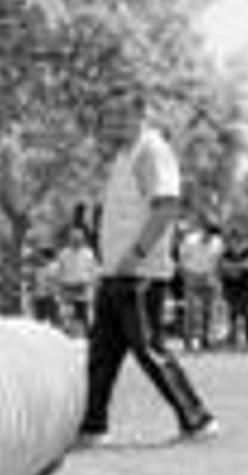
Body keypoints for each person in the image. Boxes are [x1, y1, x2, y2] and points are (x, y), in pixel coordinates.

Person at [78, 80, 217, 444]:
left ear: (142, 114)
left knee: (150, 350)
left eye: (123, 114)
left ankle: (198, 421)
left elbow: (167, 206)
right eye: (110, 116)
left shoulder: (151, 150)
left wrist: (134, 256)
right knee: (102, 355)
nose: (115, 122)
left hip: (139, 273)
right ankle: (93, 428)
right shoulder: (124, 156)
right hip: (115, 273)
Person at [178, 219, 222, 350]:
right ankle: (188, 340)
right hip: (192, 276)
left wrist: (215, 278)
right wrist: (186, 276)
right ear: (203, 230)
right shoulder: (189, 241)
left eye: (213, 234)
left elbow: (217, 261)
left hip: (208, 278)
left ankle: (205, 340)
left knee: (208, 311)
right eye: (209, 232)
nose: (211, 236)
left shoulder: (217, 243)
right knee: (191, 311)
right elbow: (181, 259)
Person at [53, 224, 99, 337]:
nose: (76, 241)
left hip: (82, 287)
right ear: (69, 239)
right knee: (66, 313)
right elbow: (58, 270)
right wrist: (58, 285)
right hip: (67, 286)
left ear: (83, 239)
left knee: (82, 314)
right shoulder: (64, 254)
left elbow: (93, 270)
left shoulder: (88, 253)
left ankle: (88, 336)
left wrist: (92, 283)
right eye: (73, 239)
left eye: (78, 239)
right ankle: (64, 334)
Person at [217, 229, 248, 347]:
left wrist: (233, 267)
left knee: (245, 310)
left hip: (246, 287)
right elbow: (223, 267)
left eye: (237, 240)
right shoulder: (226, 253)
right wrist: (240, 267)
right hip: (230, 287)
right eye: (232, 240)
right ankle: (233, 336)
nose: (234, 243)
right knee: (233, 311)